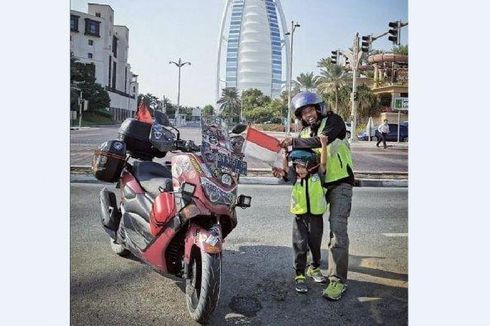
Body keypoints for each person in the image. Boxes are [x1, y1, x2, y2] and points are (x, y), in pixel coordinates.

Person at [279, 91, 354, 301]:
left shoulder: (334, 122)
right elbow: (299, 161)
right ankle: (312, 267)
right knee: (312, 231)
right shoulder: (303, 133)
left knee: (337, 232)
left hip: (339, 183)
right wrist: (282, 164)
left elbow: (319, 142)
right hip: (317, 186)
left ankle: (337, 281)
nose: (308, 114)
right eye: (303, 112)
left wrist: (292, 141)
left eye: (310, 109)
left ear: (319, 108)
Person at [272, 137, 328, 293]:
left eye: (302, 167)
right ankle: (300, 274)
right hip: (300, 218)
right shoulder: (294, 178)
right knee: (300, 246)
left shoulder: (319, 177)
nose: (299, 170)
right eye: (297, 167)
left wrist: (323, 145)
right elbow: (285, 168)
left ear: (310, 166)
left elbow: (323, 164)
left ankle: (314, 268)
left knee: (315, 245)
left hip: (316, 218)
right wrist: (284, 153)